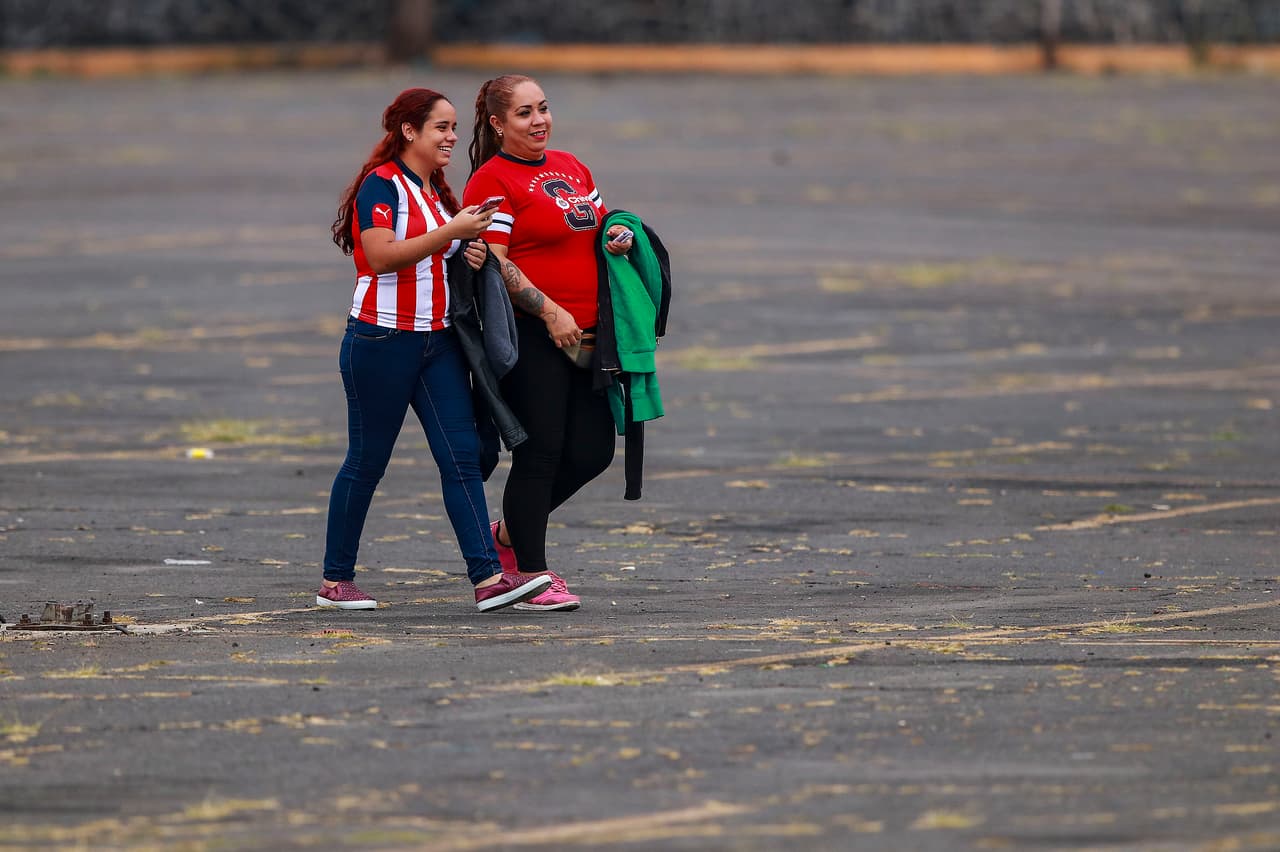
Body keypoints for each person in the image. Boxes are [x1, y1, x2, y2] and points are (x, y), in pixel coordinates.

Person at [318, 87, 552, 613]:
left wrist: (465, 250)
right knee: (366, 462)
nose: (452, 138)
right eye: (440, 128)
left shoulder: (434, 191)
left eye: (453, 128)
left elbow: (436, 258)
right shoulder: (383, 185)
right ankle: (336, 580)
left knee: (462, 459)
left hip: (437, 342)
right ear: (409, 132)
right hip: (381, 341)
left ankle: (489, 578)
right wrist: (453, 230)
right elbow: (379, 257)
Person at [463, 74, 635, 612]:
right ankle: (530, 576)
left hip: (589, 336)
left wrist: (618, 235)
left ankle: (508, 537)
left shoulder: (571, 165)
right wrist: (549, 310)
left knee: (593, 452)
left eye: (543, 108)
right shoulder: (493, 181)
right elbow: (495, 260)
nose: (539, 121)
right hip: (533, 335)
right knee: (540, 454)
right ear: (498, 123)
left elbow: (598, 225)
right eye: (523, 113)